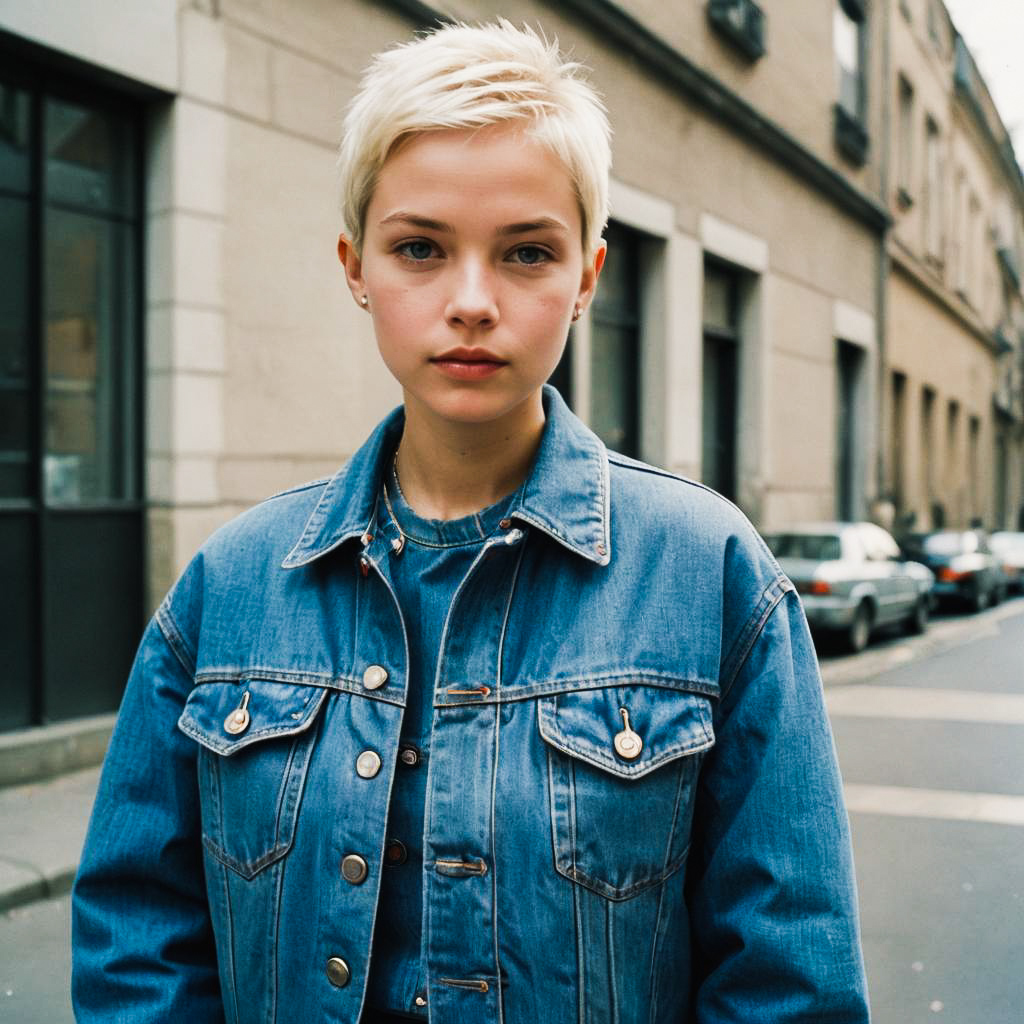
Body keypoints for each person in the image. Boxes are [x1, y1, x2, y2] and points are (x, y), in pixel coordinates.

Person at [72, 20, 870, 1024]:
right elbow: (139, 937)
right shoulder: (230, 585)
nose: (471, 301)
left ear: (586, 277)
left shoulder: (709, 576)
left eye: (527, 253)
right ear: (354, 264)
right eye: (419, 248)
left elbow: (786, 981)